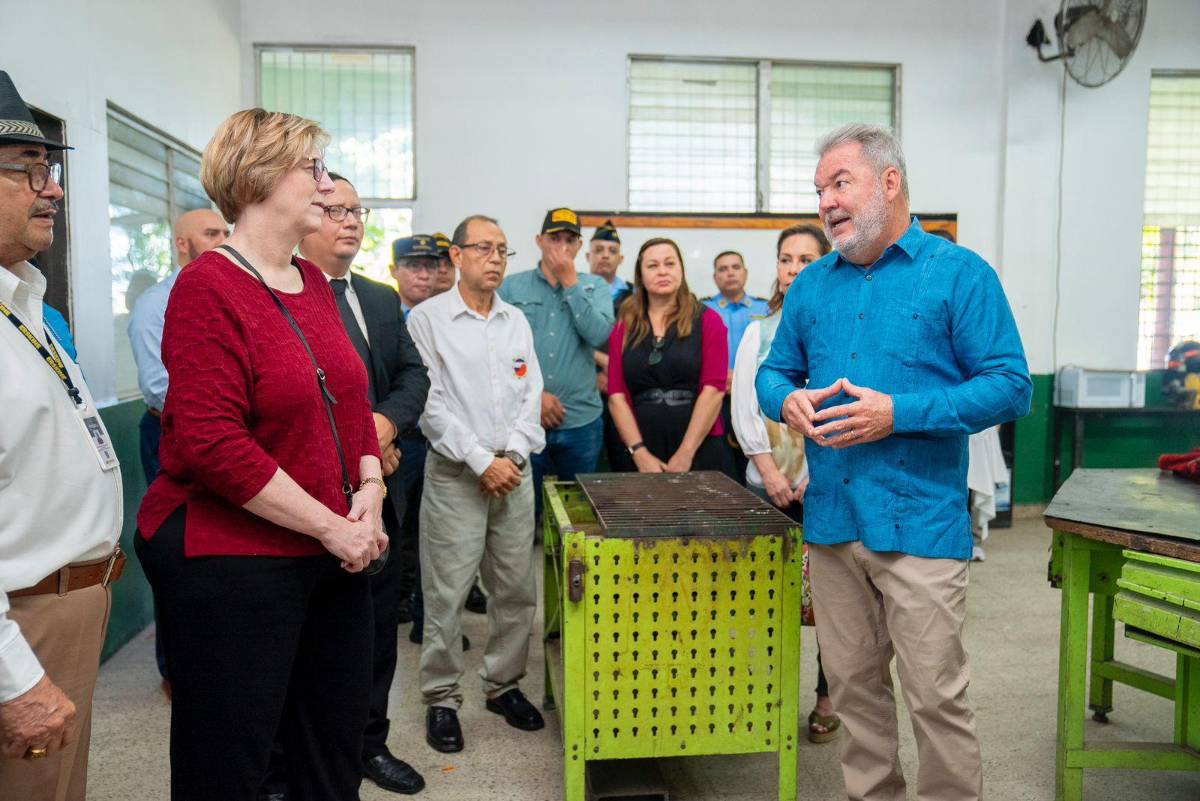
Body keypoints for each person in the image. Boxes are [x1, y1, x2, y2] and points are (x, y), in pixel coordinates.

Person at [757, 123, 1032, 801]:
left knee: (935, 694)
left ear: (889, 182)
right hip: (832, 521)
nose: (825, 202)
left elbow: (1010, 384)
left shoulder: (958, 275)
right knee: (854, 691)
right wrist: (786, 398)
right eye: (819, 189)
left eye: (839, 183)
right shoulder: (814, 285)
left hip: (919, 524)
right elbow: (772, 371)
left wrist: (898, 413)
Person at [134, 108, 389, 801]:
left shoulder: (311, 282)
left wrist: (370, 486)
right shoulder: (207, 287)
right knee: (231, 761)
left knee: (333, 749)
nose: (328, 185)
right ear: (259, 176)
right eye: (314, 168)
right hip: (235, 563)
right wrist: (334, 525)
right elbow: (214, 443)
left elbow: (348, 395)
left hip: (332, 555)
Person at [0, 70, 126, 801]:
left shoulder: (25, 301)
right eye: (31, 172)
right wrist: (16, 679)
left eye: (51, 171)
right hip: (24, 624)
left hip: (62, 611)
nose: (54, 190)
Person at [298, 174, 429, 796]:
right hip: (308, 503)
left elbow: (412, 376)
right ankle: (288, 762)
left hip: (384, 490)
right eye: (333, 210)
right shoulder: (281, 292)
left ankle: (368, 745)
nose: (349, 221)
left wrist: (384, 426)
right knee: (306, 642)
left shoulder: (378, 299)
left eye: (357, 210)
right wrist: (360, 444)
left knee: (377, 632)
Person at [406, 214, 546, 754]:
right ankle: (441, 698)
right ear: (456, 257)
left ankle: (503, 685)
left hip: (514, 472)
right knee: (447, 593)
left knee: (515, 589)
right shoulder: (428, 319)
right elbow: (431, 404)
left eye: (503, 250)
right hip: (457, 475)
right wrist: (480, 459)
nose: (494, 258)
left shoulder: (515, 320)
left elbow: (530, 391)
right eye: (483, 248)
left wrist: (510, 455)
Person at [730, 223, 839, 744]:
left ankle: (826, 697)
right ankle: (762, 699)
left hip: (826, 487)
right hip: (764, 486)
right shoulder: (758, 330)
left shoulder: (842, 328)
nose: (794, 269)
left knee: (833, 604)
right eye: (786, 259)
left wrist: (816, 475)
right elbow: (744, 408)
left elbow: (843, 408)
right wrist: (770, 473)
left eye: (805, 259)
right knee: (762, 603)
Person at [126, 207, 228, 697]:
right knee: (180, 551)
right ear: (182, 244)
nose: (225, 239)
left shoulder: (231, 290)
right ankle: (175, 670)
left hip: (226, 437)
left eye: (227, 230)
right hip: (171, 437)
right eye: (212, 233)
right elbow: (160, 387)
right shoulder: (155, 304)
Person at [391, 235, 484, 646]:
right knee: (397, 528)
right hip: (400, 440)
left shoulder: (446, 318)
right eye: (414, 266)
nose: (424, 274)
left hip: (441, 439)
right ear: (394, 270)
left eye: (431, 265)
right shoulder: (383, 314)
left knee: (437, 535)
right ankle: (398, 602)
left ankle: (430, 620)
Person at [499, 207, 613, 520]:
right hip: (524, 419)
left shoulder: (596, 287)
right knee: (523, 514)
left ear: (579, 246)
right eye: (554, 238)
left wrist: (570, 283)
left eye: (570, 239)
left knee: (579, 516)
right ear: (539, 241)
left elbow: (599, 333)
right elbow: (499, 351)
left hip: (581, 422)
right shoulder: (511, 287)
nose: (561, 246)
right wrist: (537, 398)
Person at [606, 237, 728, 473]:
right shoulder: (624, 326)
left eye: (670, 263)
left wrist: (686, 453)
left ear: (681, 269)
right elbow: (616, 395)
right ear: (640, 275)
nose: (662, 271)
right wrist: (639, 453)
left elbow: (713, 390)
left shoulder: (708, 320)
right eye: (652, 265)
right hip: (638, 445)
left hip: (698, 445)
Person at [704, 250, 769, 483]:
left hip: (755, 397)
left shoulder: (766, 309)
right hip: (715, 397)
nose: (730, 272)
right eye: (723, 269)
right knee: (721, 464)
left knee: (754, 460)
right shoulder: (704, 309)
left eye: (735, 267)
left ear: (745, 273)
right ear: (715, 277)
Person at [587, 220, 630, 470]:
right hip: (584, 384)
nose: (605, 256)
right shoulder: (574, 292)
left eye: (612, 251)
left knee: (622, 463)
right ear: (587, 254)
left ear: (621, 258)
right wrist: (601, 366)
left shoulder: (634, 296)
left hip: (624, 387)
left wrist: (612, 370)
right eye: (599, 250)